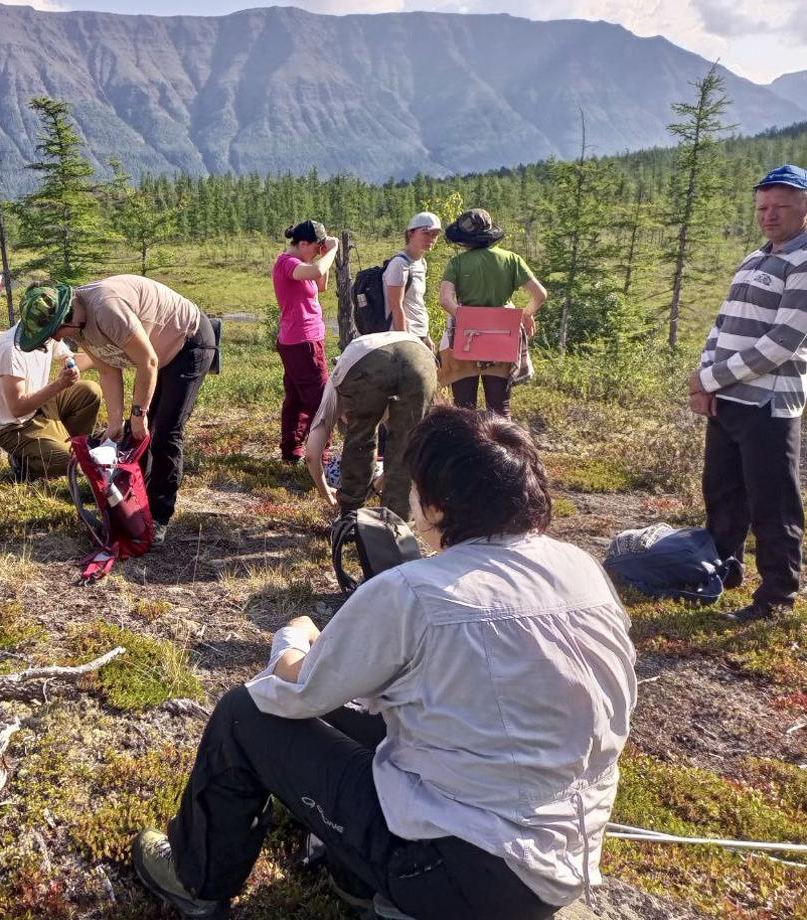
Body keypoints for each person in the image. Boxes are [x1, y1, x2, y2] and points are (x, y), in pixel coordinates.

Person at [132, 407, 636, 920]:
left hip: (453, 871)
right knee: (377, 722)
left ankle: (195, 879)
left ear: (436, 504)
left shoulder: (416, 592)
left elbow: (301, 689)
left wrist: (291, 637)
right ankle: (355, 877)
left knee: (246, 715)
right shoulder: (583, 571)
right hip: (563, 860)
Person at [689, 164, 807, 624]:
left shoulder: (803, 262)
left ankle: (777, 596)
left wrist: (710, 380)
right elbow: (722, 326)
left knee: (772, 502)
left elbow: (782, 343)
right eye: (762, 206)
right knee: (722, 493)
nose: (769, 215)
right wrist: (704, 379)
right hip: (730, 401)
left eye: (780, 206)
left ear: (804, 208)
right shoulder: (753, 259)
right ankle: (721, 571)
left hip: (769, 404)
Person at [17, 276, 215, 544]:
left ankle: (158, 517)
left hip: (189, 342)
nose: (55, 339)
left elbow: (147, 362)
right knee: (136, 435)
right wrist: (114, 423)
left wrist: (138, 414)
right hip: (158, 355)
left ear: (67, 316)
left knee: (164, 431)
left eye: (54, 332)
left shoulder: (107, 309)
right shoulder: (79, 327)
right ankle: (136, 503)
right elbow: (109, 370)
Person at [304, 332, 438, 520]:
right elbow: (401, 457)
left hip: (366, 362)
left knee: (360, 440)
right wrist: (375, 486)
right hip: (420, 358)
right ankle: (395, 527)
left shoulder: (335, 384)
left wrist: (327, 493)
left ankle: (350, 518)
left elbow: (311, 454)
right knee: (407, 445)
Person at [437, 209, 546, 417]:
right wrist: (526, 314)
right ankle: (504, 449)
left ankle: (466, 449)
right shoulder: (512, 259)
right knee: (499, 410)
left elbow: (445, 300)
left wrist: (467, 318)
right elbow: (540, 294)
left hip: (464, 339)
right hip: (502, 339)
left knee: (463, 409)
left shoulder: (457, 263)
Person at [0, 322, 101, 480]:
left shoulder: (44, 331)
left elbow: (70, 359)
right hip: (14, 427)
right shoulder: (12, 349)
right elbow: (18, 408)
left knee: (90, 391)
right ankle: (24, 463)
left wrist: (104, 355)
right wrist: (60, 384)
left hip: (38, 407)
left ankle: (70, 446)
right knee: (72, 463)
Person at [273, 220, 338, 463]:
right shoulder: (288, 263)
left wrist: (322, 255)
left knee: (297, 397)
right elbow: (317, 272)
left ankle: (292, 450)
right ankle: (320, 457)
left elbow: (321, 284)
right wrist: (331, 250)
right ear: (302, 243)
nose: (318, 251)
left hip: (300, 340)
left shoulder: (303, 264)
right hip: (302, 342)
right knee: (320, 398)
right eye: (316, 246)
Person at [383, 212, 442, 348]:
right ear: (411, 234)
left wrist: (426, 335)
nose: (431, 239)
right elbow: (396, 305)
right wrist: (405, 343)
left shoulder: (421, 262)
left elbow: (417, 302)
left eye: (435, 235)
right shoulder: (400, 264)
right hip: (405, 338)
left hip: (420, 335)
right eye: (426, 233)